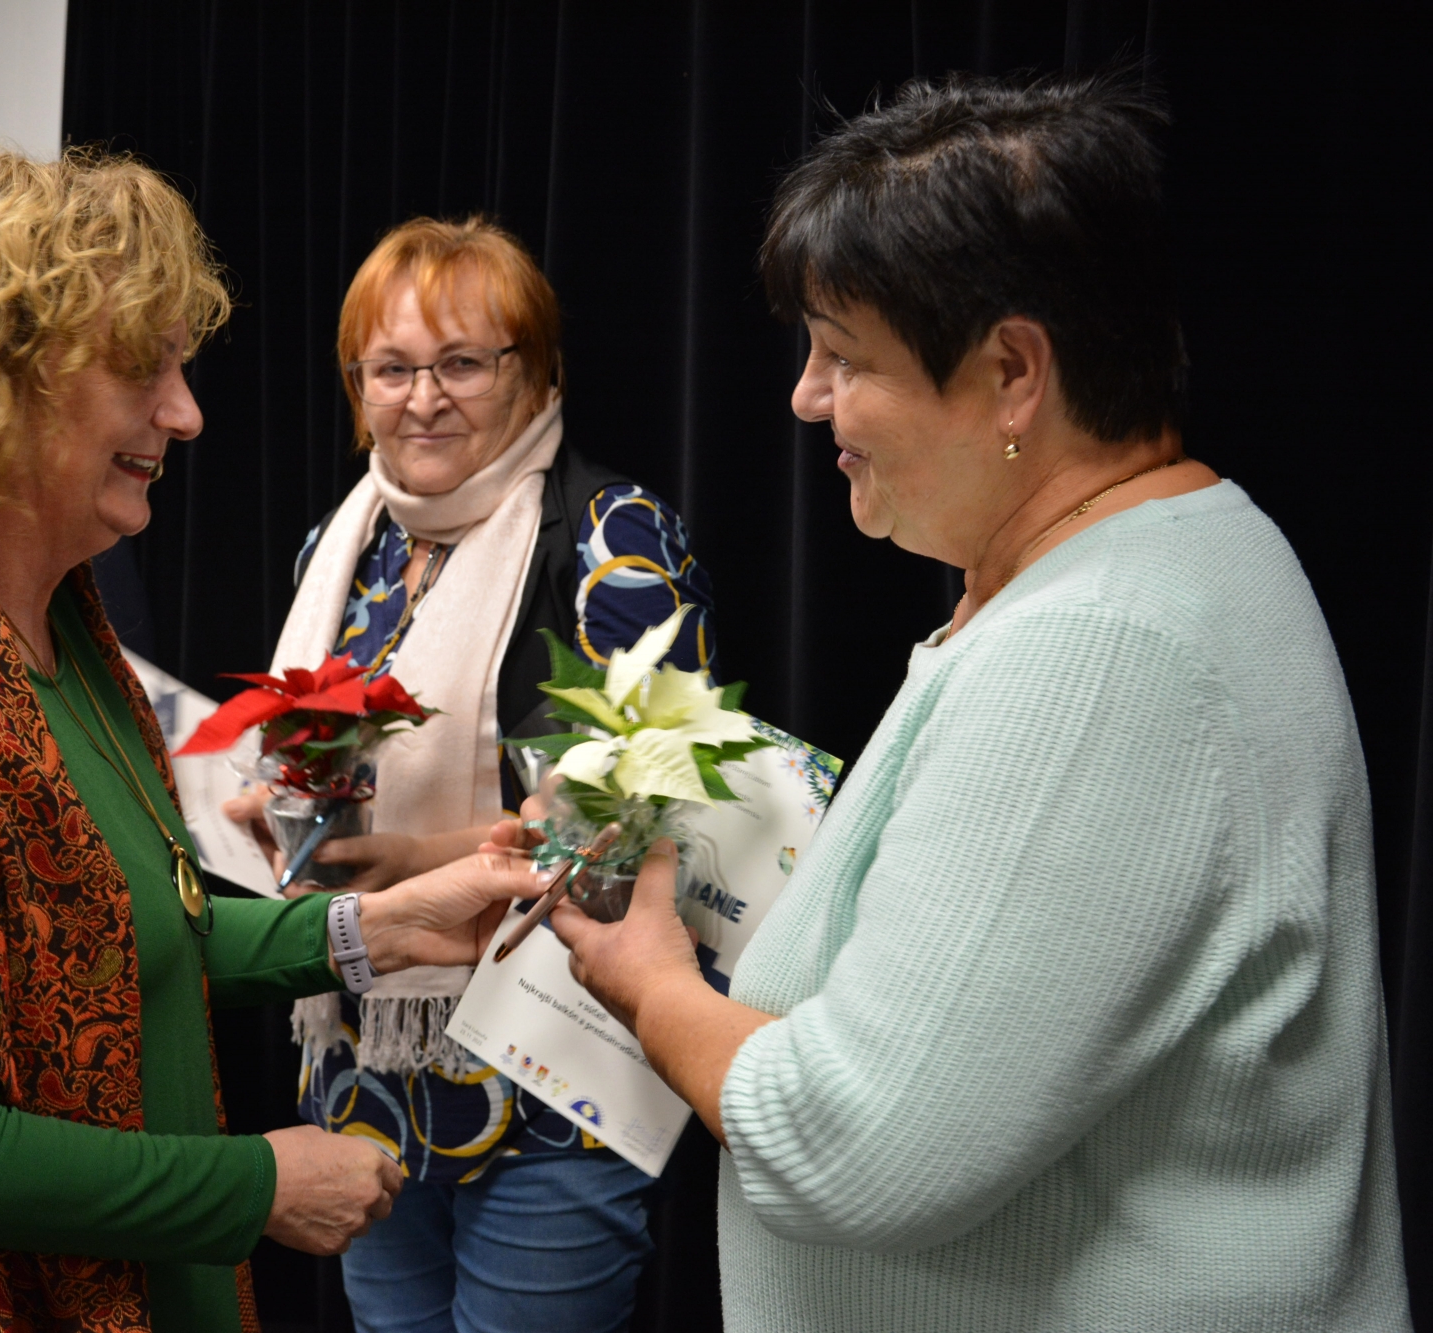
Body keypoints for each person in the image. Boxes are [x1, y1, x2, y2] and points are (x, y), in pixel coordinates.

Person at [533, 73, 1412, 1331]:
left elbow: (847, 1144)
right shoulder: (1143, 561)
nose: (805, 397)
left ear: (1010, 372)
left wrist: (649, 982)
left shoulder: (1097, 652)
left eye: (845, 356)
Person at [0, 149, 546, 1333]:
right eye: (139, 368)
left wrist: (380, 928)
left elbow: (128, 934)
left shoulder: (59, 635)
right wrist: (258, 1184)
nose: (184, 411)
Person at [227, 217, 719, 1332]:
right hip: (369, 1060)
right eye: (390, 369)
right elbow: (315, 755)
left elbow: (637, 811)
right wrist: (280, 810)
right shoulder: (343, 544)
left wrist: (412, 860)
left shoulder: (617, 540)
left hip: (553, 1063)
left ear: (536, 371)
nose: (422, 399)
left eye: (461, 363)